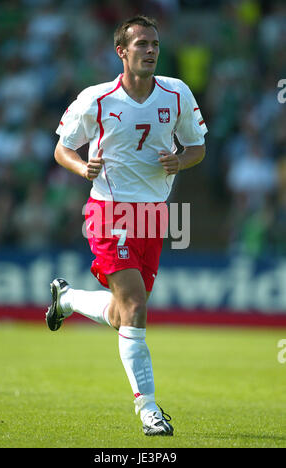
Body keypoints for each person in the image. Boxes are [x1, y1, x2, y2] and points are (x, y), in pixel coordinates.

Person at [46, 15, 207, 436]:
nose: (150, 50)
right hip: (109, 212)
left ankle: (67, 301)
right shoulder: (96, 99)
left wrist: (180, 159)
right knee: (135, 305)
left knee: (122, 315)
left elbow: (197, 147)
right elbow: (62, 149)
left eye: (154, 44)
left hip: (153, 216)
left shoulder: (177, 93)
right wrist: (83, 167)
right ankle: (149, 410)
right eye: (141, 44)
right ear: (122, 51)